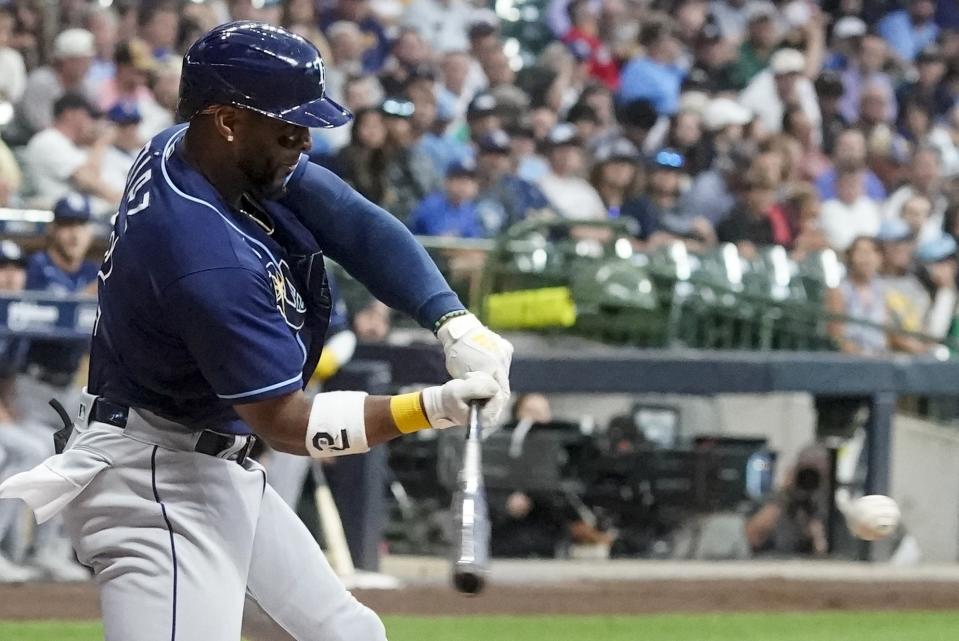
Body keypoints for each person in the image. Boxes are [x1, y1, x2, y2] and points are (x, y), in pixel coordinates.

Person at [0, 23, 511, 641]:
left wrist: (452, 321)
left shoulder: (187, 149)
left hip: (206, 459)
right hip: (153, 484)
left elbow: (351, 221)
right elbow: (284, 423)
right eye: (286, 126)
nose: (303, 140)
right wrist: (431, 406)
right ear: (227, 120)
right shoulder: (205, 256)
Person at [0, 241, 47, 583]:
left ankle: (31, 550)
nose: (11, 276)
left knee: (52, 443)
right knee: (23, 450)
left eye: (16, 268)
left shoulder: (17, 312)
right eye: (3, 268)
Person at [21, 93, 121, 214]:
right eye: (87, 115)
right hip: (61, 216)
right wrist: (102, 141)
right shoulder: (48, 140)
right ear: (69, 114)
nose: (91, 122)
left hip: (85, 214)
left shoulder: (75, 145)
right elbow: (89, 178)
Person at [7, 28, 99, 145]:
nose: (88, 66)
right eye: (83, 60)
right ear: (66, 60)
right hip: (27, 144)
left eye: (89, 60)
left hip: (69, 143)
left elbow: (95, 118)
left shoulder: (85, 85)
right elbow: (40, 126)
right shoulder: (41, 81)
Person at [826, 235, 889, 355]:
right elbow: (835, 334)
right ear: (850, 257)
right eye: (861, 252)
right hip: (851, 361)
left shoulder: (882, 290)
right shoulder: (838, 291)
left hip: (880, 358)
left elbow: (886, 331)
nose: (866, 258)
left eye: (872, 252)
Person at [537, 123, 606, 220]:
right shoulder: (540, 185)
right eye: (561, 149)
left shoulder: (585, 187)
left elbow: (603, 220)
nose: (568, 154)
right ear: (549, 152)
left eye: (573, 148)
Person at [407, 159, 485, 238]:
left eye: (470, 180)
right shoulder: (431, 205)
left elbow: (475, 240)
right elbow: (442, 242)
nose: (464, 185)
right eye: (459, 178)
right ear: (446, 181)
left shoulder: (470, 210)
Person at [819, 167, 881, 252]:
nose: (850, 190)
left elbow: (874, 232)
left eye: (854, 185)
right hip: (839, 253)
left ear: (862, 187)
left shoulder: (869, 206)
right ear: (837, 187)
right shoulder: (827, 208)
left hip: (869, 252)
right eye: (846, 185)